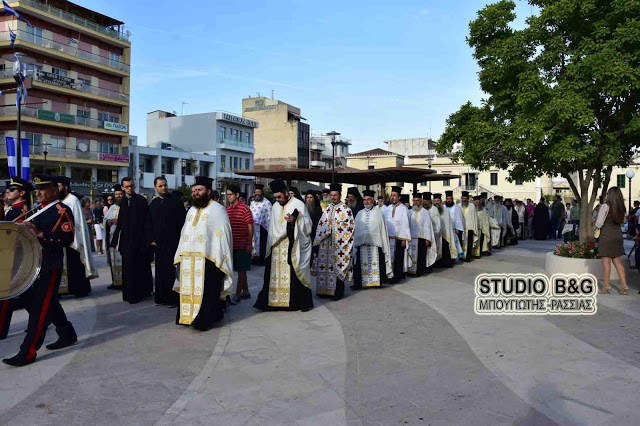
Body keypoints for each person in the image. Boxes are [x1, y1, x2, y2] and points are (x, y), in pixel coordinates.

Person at [2, 174, 77, 367]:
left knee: (39, 309)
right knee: (47, 303)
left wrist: (41, 233)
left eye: (43, 189)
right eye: (37, 189)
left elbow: (66, 239)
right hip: (32, 264)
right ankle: (67, 333)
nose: (38, 192)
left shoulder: (61, 210)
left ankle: (27, 352)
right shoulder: (38, 209)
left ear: (54, 190)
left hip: (50, 265)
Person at [174, 177, 234, 329]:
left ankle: (204, 321)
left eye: (199, 190)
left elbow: (223, 235)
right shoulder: (192, 210)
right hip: (189, 258)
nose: (195, 193)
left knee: (208, 292)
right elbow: (184, 233)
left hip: (209, 259)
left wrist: (220, 258)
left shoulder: (217, 209)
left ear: (208, 191)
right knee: (189, 289)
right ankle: (188, 317)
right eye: (193, 191)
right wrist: (180, 254)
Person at [254, 179, 314, 311]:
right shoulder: (275, 206)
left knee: (294, 275)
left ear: (286, 193)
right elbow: (272, 227)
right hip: (276, 247)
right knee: (272, 274)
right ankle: (273, 302)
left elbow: (308, 226)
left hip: (292, 246)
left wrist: (295, 221)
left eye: (279, 197)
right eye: (275, 197)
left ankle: (294, 303)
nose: (277, 200)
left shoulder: (298, 204)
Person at [0, 177, 33, 341]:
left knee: (6, 293)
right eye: (8, 190)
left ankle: (1, 329)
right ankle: (41, 317)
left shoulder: (22, 210)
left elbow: (18, 238)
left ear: (22, 193)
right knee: (24, 294)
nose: (8, 192)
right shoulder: (12, 209)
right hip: (7, 254)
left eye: (11, 190)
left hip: (14, 256)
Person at [112, 177, 154, 304]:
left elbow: (147, 221)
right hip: (126, 241)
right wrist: (115, 241)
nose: (129, 188)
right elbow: (120, 223)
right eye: (127, 186)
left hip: (139, 240)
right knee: (127, 268)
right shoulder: (122, 201)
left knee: (139, 268)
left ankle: (140, 293)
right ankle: (129, 294)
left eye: (131, 186)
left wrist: (148, 239)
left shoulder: (141, 200)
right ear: (123, 188)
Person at [149, 176, 187, 307]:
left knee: (173, 272)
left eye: (165, 185)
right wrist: (151, 239)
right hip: (159, 244)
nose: (163, 188)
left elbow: (183, 222)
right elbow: (149, 224)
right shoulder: (153, 204)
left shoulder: (176, 201)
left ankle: (174, 299)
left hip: (174, 243)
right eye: (160, 186)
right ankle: (161, 297)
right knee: (160, 271)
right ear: (155, 188)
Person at [312, 183, 354, 300]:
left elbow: (349, 227)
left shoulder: (346, 210)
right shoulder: (327, 208)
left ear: (340, 195)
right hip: (325, 244)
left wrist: (333, 226)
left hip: (338, 244)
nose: (333, 197)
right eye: (331, 195)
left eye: (335, 195)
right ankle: (323, 290)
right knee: (324, 266)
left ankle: (337, 292)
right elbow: (321, 224)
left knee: (337, 267)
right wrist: (321, 236)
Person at [58, 178, 97, 297]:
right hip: (63, 239)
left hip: (74, 239)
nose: (57, 188)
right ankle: (69, 288)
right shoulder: (60, 200)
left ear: (65, 187)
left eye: (59, 186)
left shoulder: (72, 200)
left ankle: (80, 289)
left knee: (76, 265)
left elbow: (77, 222)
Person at [351, 189, 393, 290]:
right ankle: (358, 283)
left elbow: (381, 229)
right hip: (361, 244)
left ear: (373, 200)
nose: (366, 202)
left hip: (375, 244)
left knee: (378, 261)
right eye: (365, 199)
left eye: (368, 199)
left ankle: (378, 282)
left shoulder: (379, 213)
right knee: (359, 264)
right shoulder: (359, 213)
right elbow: (356, 229)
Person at [596, 187, 628, 295]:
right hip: (617, 234)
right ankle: (624, 286)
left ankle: (606, 287)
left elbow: (599, 223)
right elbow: (623, 221)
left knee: (606, 262)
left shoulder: (605, 206)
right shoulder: (622, 208)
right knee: (618, 262)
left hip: (606, 234)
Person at [226, 184, 254, 305]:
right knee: (241, 270)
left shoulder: (244, 209)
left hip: (243, 244)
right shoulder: (227, 210)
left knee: (241, 270)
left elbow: (250, 226)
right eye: (227, 195)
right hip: (232, 245)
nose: (228, 197)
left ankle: (237, 294)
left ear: (237, 195)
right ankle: (246, 291)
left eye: (230, 195)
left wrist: (249, 243)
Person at [383, 186, 412, 283]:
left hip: (399, 238)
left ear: (399, 197)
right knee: (388, 258)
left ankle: (397, 277)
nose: (392, 197)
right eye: (391, 195)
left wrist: (404, 239)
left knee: (398, 258)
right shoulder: (387, 209)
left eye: (394, 195)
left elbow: (406, 224)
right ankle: (388, 276)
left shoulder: (404, 209)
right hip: (388, 238)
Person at [406, 193, 436, 276]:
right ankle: (410, 271)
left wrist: (428, 239)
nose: (416, 202)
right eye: (414, 200)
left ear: (421, 201)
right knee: (411, 254)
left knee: (421, 255)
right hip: (411, 237)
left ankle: (419, 271)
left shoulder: (425, 212)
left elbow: (428, 226)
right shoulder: (409, 211)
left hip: (421, 237)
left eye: (417, 201)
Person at [104, 185, 124, 290]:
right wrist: (108, 222)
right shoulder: (112, 208)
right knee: (113, 261)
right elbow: (105, 221)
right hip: (113, 239)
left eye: (120, 194)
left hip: (123, 239)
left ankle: (124, 282)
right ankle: (115, 282)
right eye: (117, 194)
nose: (118, 196)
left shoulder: (126, 206)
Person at [433, 193, 458, 267]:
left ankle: (446, 262)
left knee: (445, 248)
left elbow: (447, 223)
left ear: (440, 201)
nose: (436, 202)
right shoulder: (432, 210)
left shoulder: (445, 211)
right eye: (435, 201)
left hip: (445, 233)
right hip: (436, 233)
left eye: (438, 201)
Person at [250, 184, 272, 265]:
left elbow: (270, 215)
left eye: (259, 192)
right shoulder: (252, 202)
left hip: (263, 227)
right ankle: (254, 259)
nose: (258, 193)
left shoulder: (267, 202)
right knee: (254, 243)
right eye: (256, 192)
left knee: (262, 244)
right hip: (253, 226)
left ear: (262, 192)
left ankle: (261, 260)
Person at [423, 192, 441, 269]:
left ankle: (430, 266)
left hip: (433, 235)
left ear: (429, 202)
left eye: (426, 203)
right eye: (423, 202)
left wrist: (434, 234)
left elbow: (437, 224)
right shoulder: (423, 210)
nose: (424, 204)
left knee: (431, 252)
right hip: (424, 235)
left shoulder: (434, 210)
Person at [445, 190, 465, 256]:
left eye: (450, 199)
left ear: (452, 199)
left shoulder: (457, 207)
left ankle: (453, 258)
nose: (449, 200)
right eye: (447, 199)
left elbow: (459, 218)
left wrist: (458, 228)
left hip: (454, 230)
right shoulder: (443, 207)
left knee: (454, 244)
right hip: (445, 230)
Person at [460, 191, 478, 261]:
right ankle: (461, 256)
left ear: (468, 199)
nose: (464, 200)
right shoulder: (458, 206)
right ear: (461, 198)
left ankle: (468, 257)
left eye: (466, 198)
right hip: (461, 228)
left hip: (470, 227)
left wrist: (474, 228)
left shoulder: (472, 206)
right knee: (462, 242)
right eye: (463, 198)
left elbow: (474, 217)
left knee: (469, 243)